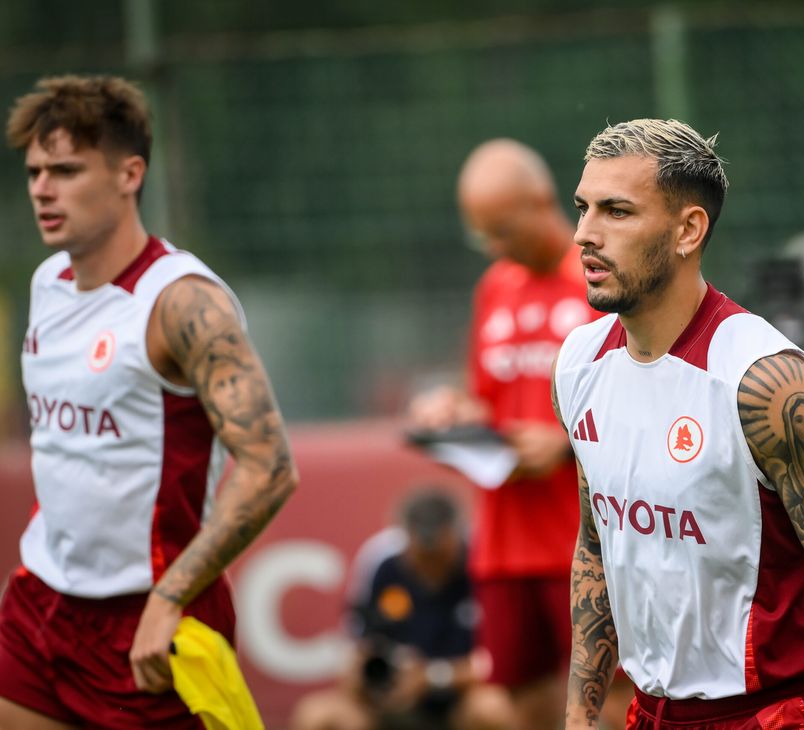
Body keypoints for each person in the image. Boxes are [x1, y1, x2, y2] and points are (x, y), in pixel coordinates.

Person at [555, 118, 804, 730]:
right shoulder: (577, 364)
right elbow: (595, 547)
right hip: (647, 714)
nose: (584, 234)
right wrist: (579, 715)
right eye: (583, 207)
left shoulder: (765, 381)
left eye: (616, 212)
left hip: (768, 713)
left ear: (688, 230)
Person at [0, 74, 298, 728]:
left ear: (130, 173)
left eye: (67, 170)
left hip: (151, 621)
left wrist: (169, 598)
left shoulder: (183, 302)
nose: (42, 190)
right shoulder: (48, 281)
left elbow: (269, 466)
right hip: (41, 606)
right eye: (34, 172)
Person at [409, 138, 599, 729]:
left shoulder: (600, 278)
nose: (493, 246)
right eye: (480, 234)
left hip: (583, 539)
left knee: (608, 700)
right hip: (503, 541)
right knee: (523, 704)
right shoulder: (495, 286)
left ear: (543, 201)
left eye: (502, 228)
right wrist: (449, 411)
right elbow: (485, 397)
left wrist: (566, 444)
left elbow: (646, 399)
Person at [290, 489, 513, 730]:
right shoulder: (381, 563)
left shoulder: (482, 563)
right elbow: (355, 646)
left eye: (439, 554)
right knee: (319, 716)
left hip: (457, 699)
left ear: (456, 537)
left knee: (492, 708)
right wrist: (374, 677)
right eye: (422, 555)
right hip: (386, 703)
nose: (430, 563)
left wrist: (432, 677)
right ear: (405, 538)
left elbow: (501, 659)